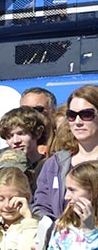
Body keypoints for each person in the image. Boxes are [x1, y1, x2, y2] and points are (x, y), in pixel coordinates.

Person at [33, 85, 98, 223]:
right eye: (72, 115)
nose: (78, 122)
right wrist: (58, 228)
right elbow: (40, 207)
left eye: (87, 114)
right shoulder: (55, 164)